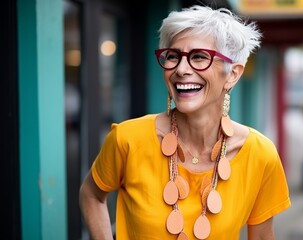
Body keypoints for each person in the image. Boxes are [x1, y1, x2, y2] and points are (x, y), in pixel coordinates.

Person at [79, 5, 291, 240]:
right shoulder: (128, 139)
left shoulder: (260, 155)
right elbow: (91, 195)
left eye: (199, 57)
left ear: (232, 74)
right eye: (173, 56)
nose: (181, 69)